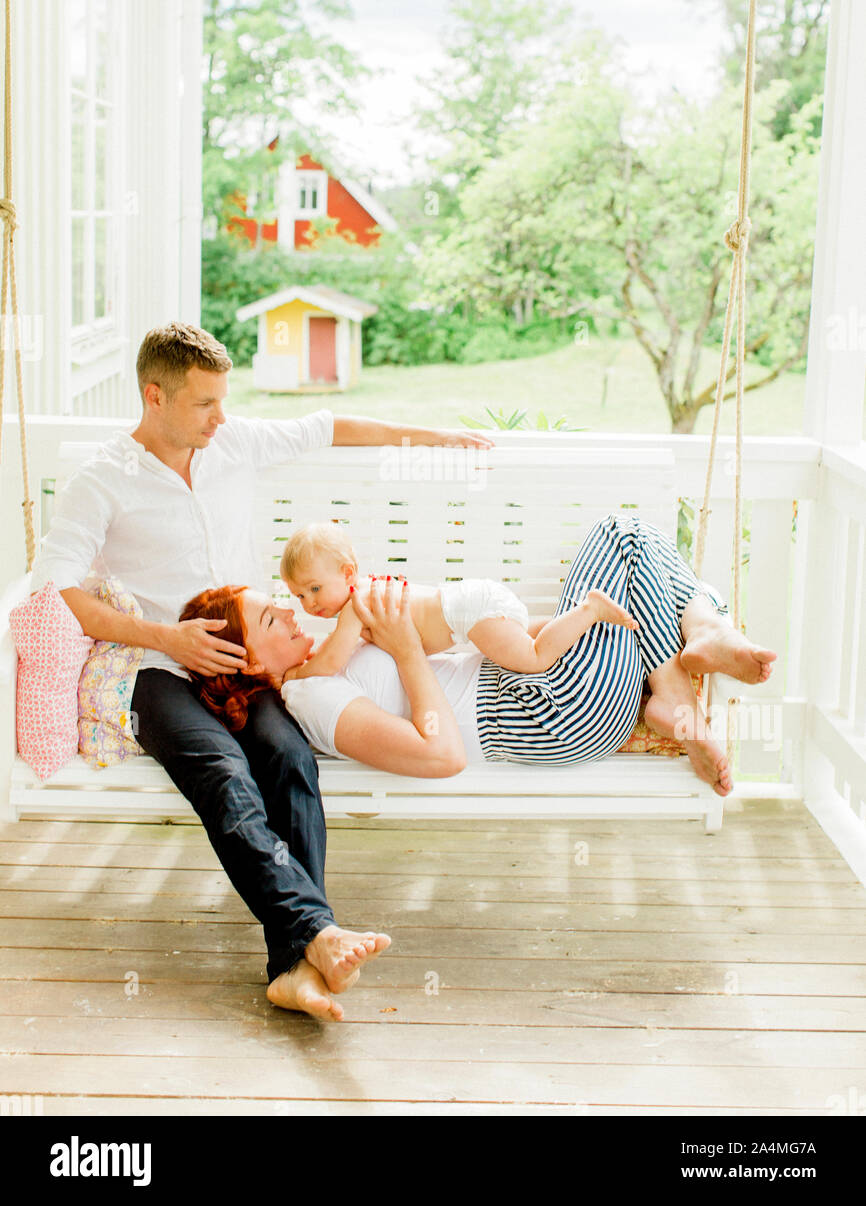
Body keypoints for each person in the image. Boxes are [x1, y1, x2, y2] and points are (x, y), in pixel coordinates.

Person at [29, 322, 492, 1022]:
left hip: (245, 664)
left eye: (224, 401)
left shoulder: (234, 442)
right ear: (154, 397)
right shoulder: (103, 481)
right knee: (222, 772)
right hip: (158, 666)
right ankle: (314, 937)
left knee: (288, 759)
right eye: (204, 404)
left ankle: (294, 964)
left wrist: (428, 439)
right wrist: (166, 638)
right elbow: (56, 590)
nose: (222, 418)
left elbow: (328, 425)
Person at [178, 513, 777, 803]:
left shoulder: (327, 662)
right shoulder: (309, 691)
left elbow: (473, 650)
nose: (289, 611)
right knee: (624, 537)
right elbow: (442, 757)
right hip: (538, 709)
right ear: (246, 662)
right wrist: (410, 651)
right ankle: (698, 641)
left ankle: (677, 679)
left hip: (547, 693)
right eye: (269, 619)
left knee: (639, 570)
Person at [277, 520, 639, 680]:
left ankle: (589, 609)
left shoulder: (356, 604)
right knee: (523, 635)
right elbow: (336, 650)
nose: (308, 603)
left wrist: (295, 673)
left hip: (469, 614)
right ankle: (574, 624)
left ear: (346, 573)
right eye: (299, 596)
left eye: (314, 589)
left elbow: (333, 661)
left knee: (534, 658)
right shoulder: (364, 595)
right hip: (473, 605)